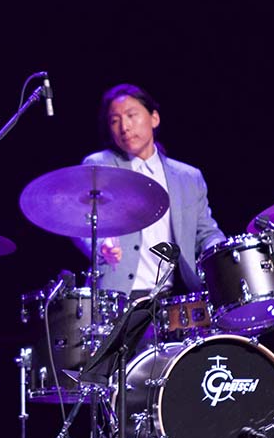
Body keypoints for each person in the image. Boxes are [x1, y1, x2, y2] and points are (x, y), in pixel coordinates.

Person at [73, 83, 226, 302]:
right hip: (116, 297)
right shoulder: (100, 167)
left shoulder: (188, 177)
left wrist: (223, 252)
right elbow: (77, 221)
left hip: (174, 298)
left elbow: (206, 232)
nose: (124, 127)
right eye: (114, 121)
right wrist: (100, 247)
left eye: (131, 115)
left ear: (154, 118)